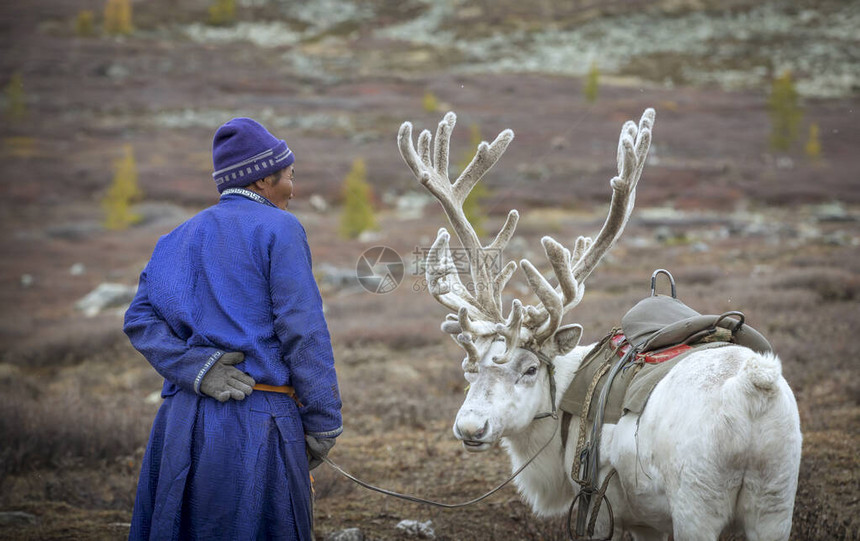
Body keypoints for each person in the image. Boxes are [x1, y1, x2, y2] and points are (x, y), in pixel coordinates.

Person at [124, 117, 343, 540]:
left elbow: (139, 320)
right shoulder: (280, 228)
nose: (293, 190)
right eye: (290, 176)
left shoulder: (175, 238)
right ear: (263, 180)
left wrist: (194, 369)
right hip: (258, 422)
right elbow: (303, 332)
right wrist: (322, 421)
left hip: (180, 422)